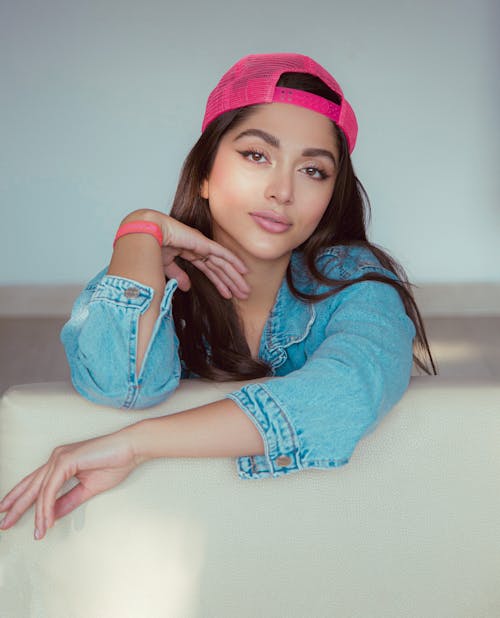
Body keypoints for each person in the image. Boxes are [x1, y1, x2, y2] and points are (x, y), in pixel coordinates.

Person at [0, 53, 435, 540]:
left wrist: (137, 445)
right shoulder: (155, 275)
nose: (281, 191)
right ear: (204, 172)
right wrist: (138, 232)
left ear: (331, 197)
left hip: (326, 540)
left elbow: (347, 392)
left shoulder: (354, 277)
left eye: (313, 171)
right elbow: (119, 383)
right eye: (256, 155)